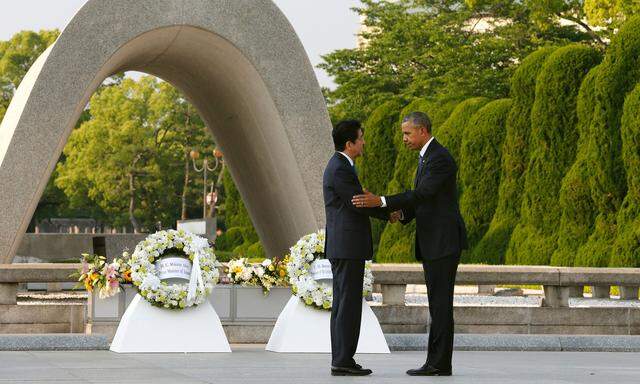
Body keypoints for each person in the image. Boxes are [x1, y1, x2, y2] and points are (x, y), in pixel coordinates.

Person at [352, 112, 467, 376]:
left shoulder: (439, 158)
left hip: (443, 241)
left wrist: (381, 201)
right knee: (438, 303)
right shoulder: (427, 156)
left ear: (423, 131)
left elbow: (423, 193)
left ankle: (438, 364)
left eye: (407, 133)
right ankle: (437, 362)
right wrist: (401, 214)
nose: (404, 139)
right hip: (435, 242)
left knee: (440, 304)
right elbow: (425, 200)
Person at [323, 119, 399, 376]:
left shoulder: (342, 166)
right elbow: (359, 202)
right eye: (361, 138)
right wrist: (387, 210)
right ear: (349, 143)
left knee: (345, 303)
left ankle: (343, 358)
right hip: (347, 247)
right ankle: (342, 360)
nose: (364, 142)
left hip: (345, 246)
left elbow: (359, 200)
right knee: (348, 303)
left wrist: (376, 204)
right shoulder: (341, 169)